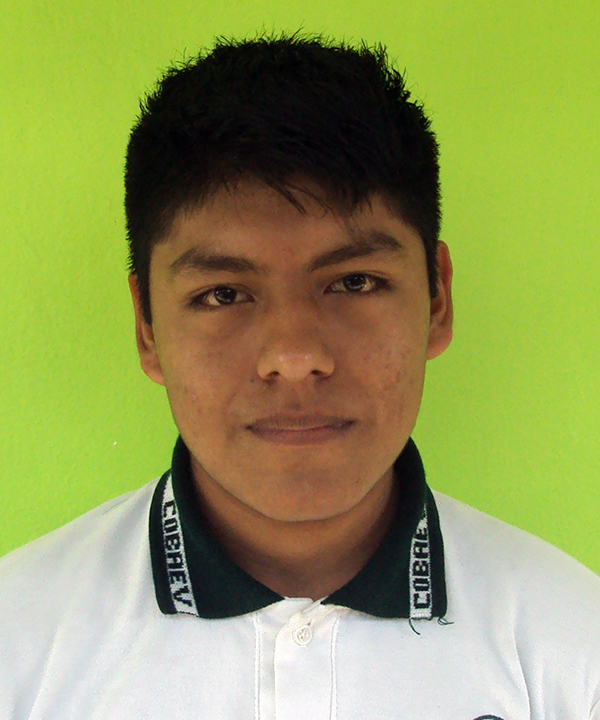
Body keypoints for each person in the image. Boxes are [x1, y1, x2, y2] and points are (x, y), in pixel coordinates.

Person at [1, 28, 599, 720]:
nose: (293, 356)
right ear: (148, 328)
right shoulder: (20, 641)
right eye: (223, 294)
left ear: (437, 299)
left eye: (354, 282)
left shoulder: (572, 644)